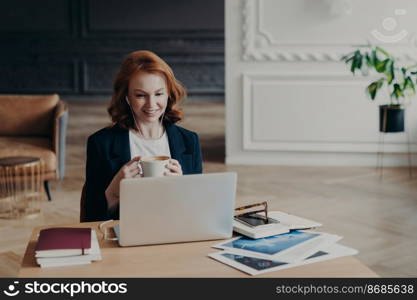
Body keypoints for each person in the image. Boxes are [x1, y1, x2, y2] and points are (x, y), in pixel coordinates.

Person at [84, 50, 203, 221]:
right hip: (126, 239)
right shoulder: (101, 143)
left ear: (168, 93)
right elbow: (91, 218)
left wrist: (182, 188)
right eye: (140, 95)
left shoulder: (189, 141)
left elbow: (198, 211)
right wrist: (114, 191)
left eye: (159, 94)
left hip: (176, 233)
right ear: (126, 97)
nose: (151, 104)